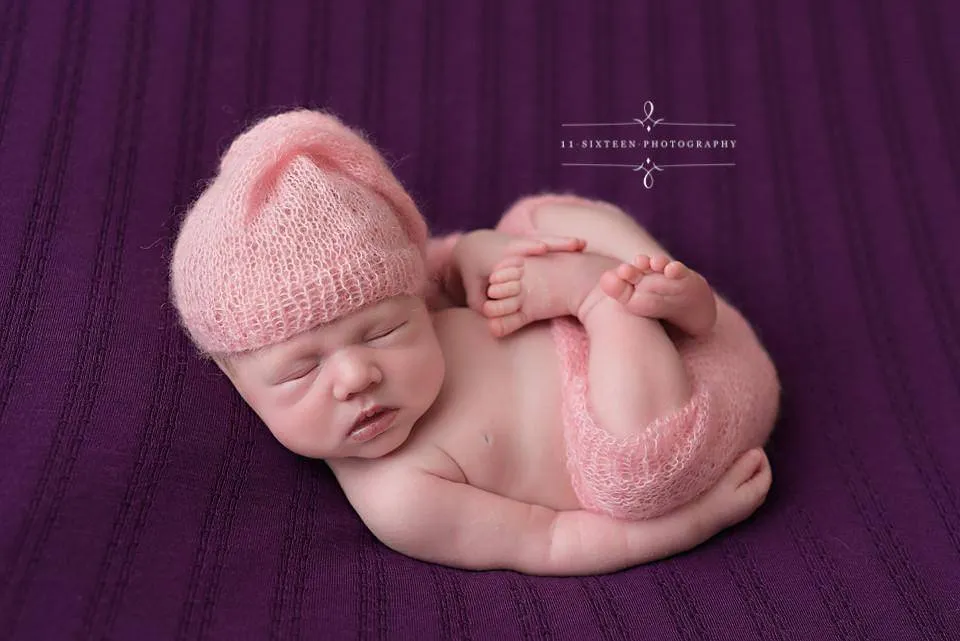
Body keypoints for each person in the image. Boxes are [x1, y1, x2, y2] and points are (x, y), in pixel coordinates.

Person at [169, 109, 780, 576]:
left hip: (676, 349)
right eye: (300, 371)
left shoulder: (411, 284)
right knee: (632, 476)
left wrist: (474, 253)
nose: (357, 375)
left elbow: (429, 261)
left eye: (385, 331)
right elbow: (547, 539)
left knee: (529, 222)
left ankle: (668, 295)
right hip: (669, 431)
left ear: (411, 299)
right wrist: (697, 521)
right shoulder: (400, 499)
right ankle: (610, 297)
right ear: (236, 383)